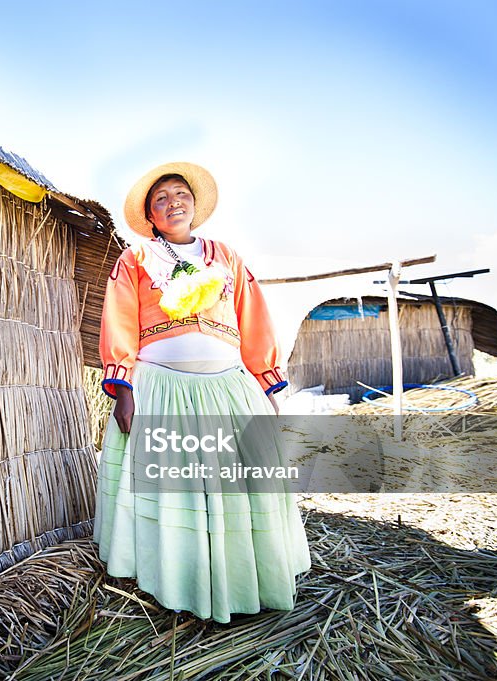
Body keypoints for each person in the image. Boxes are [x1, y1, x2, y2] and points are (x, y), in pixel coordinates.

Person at [94, 161, 311, 623]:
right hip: (161, 389)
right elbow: (120, 321)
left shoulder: (226, 257)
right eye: (161, 199)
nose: (173, 204)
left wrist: (266, 384)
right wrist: (124, 391)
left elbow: (253, 319)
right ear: (151, 216)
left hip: (228, 390)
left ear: (194, 206)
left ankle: (241, 578)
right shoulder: (134, 261)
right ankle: (174, 580)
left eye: (180, 195)